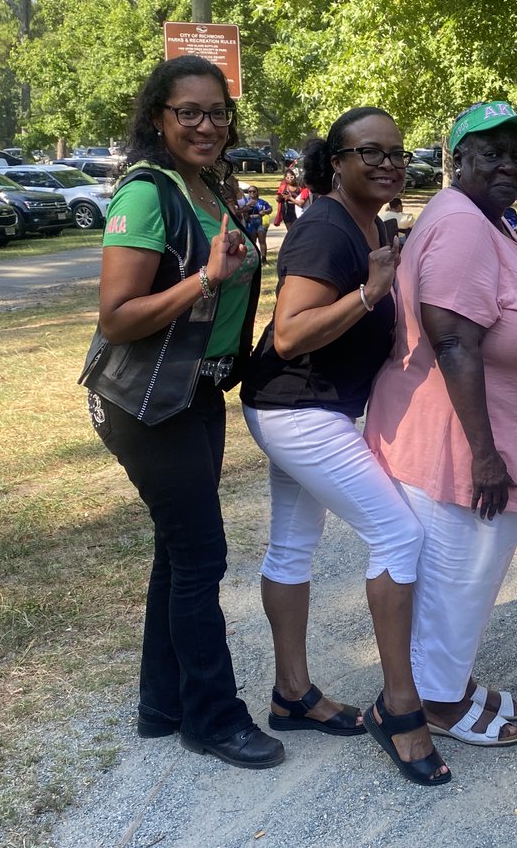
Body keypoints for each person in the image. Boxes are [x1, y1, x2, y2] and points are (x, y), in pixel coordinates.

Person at [239, 109, 450, 786]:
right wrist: (369, 293)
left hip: (312, 407)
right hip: (295, 409)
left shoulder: (373, 224)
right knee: (399, 536)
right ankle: (399, 706)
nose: (389, 163)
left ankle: (291, 694)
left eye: (398, 152)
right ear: (338, 161)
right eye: (372, 153)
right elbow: (290, 335)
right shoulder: (323, 230)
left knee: (292, 548)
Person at [81, 55, 280, 769]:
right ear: (158, 118)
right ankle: (213, 717)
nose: (205, 124)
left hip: (195, 393)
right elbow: (118, 316)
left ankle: (162, 707)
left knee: (177, 552)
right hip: (144, 403)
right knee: (201, 556)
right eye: (187, 112)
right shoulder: (146, 194)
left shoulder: (210, 188)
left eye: (217, 112)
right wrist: (202, 278)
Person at [364, 101, 517, 748]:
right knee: (457, 575)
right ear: (458, 161)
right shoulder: (460, 224)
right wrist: (484, 454)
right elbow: (454, 342)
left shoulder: (487, 220)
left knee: (470, 575)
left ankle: (445, 679)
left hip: (480, 437)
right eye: (492, 153)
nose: (511, 164)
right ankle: (437, 702)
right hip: (456, 445)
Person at [238, 185, 272, 255]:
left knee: (262, 240)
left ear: (257, 192)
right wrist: (248, 205)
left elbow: (270, 209)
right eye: (250, 191)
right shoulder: (245, 201)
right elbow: (240, 210)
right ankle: (255, 257)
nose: (252, 193)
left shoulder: (261, 202)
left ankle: (263, 258)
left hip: (260, 222)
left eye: (254, 191)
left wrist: (265, 211)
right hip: (250, 222)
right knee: (252, 242)